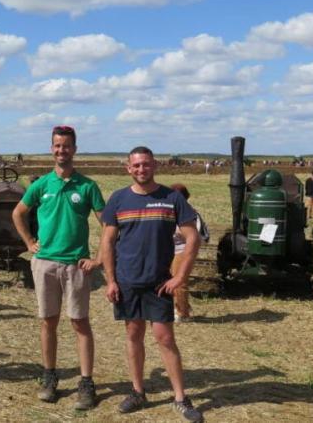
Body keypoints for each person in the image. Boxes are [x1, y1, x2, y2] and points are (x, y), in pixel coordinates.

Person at [95, 146, 203, 422]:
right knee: (133, 335)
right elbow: (107, 242)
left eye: (146, 164)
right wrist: (111, 280)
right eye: (136, 165)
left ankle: (180, 397)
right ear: (128, 168)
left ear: (154, 165)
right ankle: (137, 391)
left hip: (159, 283)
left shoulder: (171, 198)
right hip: (128, 281)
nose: (141, 169)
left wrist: (180, 277)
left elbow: (193, 238)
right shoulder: (118, 199)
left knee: (165, 338)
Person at [11, 125, 105, 410]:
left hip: (76, 265)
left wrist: (98, 259)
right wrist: (29, 242)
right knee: (47, 321)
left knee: (80, 323)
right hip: (45, 264)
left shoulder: (87, 186)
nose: (61, 150)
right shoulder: (42, 185)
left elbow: (108, 226)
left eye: (66, 145)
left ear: (74, 149)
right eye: (56, 145)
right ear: (51, 149)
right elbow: (18, 213)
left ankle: (86, 383)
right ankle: (49, 377)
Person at [169, 183, 209, 322]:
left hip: (183, 250)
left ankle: (182, 313)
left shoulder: (190, 213)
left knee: (179, 281)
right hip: (169, 250)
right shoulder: (169, 211)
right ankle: (181, 307)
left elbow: (194, 236)